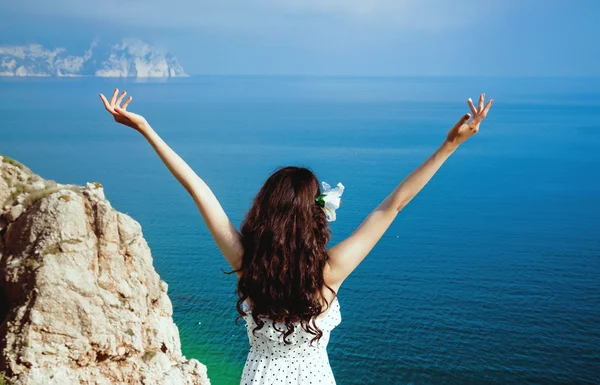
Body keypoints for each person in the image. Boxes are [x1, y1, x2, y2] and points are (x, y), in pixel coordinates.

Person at [99, 89, 493, 384]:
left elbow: (197, 188)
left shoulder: (246, 263)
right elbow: (393, 206)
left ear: (265, 211)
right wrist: (450, 145)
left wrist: (145, 128)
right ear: (315, 216)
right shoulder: (331, 271)